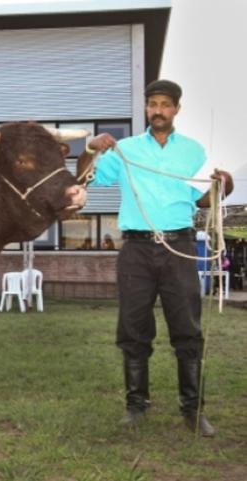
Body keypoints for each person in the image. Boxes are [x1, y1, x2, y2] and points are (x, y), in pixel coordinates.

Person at [77, 79, 234, 436]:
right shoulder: (126, 149)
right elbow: (84, 178)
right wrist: (91, 148)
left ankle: (193, 410)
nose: (158, 110)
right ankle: (136, 406)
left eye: (165, 104)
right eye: (152, 104)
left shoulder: (193, 151)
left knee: (188, 329)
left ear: (177, 108)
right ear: (146, 109)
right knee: (133, 328)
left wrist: (225, 184)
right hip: (136, 249)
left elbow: (202, 199)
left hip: (178, 248)